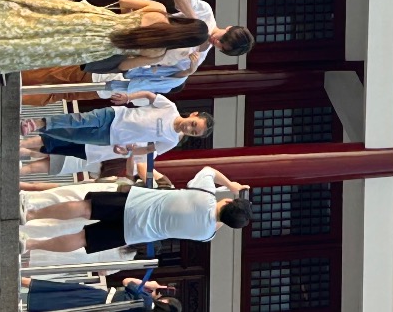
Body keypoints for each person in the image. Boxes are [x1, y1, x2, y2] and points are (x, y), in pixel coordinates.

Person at [20, 0, 254, 105]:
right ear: (228, 27)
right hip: (120, 45)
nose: (217, 42)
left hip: (120, 57)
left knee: (57, 74)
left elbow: (164, 75)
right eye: (223, 39)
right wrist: (195, 21)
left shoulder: (192, 54)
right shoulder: (201, 14)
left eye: (222, 47)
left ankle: (15, 79)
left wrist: (188, 71)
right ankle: (15, 74)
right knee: (54, 65)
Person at [0, 0, 208, 74]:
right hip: (95, 48)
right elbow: (124, 65)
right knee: (38, 48)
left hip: (97, 21)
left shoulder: (158, 11)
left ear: (185, 22)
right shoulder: (157, 53)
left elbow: (123, 1)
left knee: (42, 13)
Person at [23, 165, 252, 253]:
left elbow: (209, 170)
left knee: (85, 208)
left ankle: (31, 214)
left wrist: (232, 185)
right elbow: (217, 225)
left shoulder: (206, 195)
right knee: (83, 239)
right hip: (134, 233)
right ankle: (30, 245)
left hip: (133, 203)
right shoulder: (207, 234)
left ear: (228, 202)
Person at [20, 92, 210, 162]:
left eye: (193, 132)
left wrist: (128, 151)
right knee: (79, 120)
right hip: (115, 115)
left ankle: (41, 128)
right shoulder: (170, 108)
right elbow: (150, 96)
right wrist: (129, 97)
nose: (189, 129)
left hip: (111, 138)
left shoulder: (171, 141)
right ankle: (38, 123)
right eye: (193, 124)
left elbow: (149, 149)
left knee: (72, 136)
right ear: (193, 115)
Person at [22, 274, 178, 312]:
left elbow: (127, 281)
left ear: (165, 302)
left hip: (100, 298)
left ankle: (21, 280)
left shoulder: (147, 301)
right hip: (101, 306)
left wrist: (149, 285)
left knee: (62, 293)